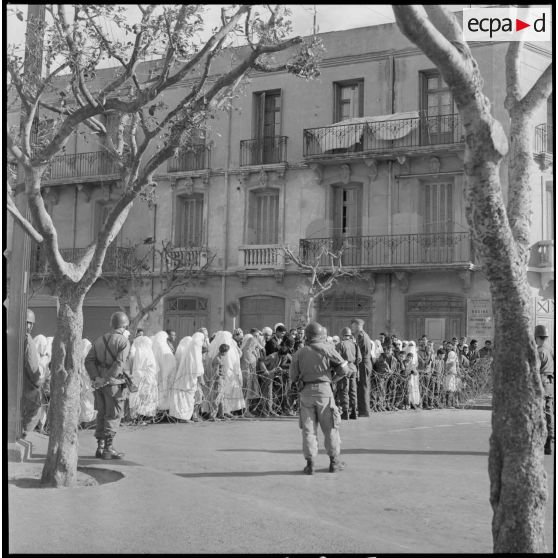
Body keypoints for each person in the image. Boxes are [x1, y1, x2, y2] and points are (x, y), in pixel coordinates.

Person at [289, 321, 349, 474]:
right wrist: (332, 381)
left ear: (307, 336)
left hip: (306, 393)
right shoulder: (329, 349)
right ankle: (334, 463)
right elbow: (344, 369)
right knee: (330, 429)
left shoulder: (299, 353)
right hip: (324, 392)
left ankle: (310, 464)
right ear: (322, 335)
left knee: (308, 430)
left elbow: (293, 376)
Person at [84, 311, 131, 459]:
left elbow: (88, 360)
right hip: (113, 385)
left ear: (112, 324)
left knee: (102, 415)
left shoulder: (99, 340)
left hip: (99, 385)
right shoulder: (124, 341)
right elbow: (119, 364)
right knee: (113, 415)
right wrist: (106, 379)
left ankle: (100, 447)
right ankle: (109, 449)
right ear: (124, 326)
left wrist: (96, 378)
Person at [20, 309, 45, 439]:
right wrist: (37, 381)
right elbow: (32, 364)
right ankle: (23, 432)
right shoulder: (27, 339)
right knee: (36, 407)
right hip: (27, 384)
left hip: (17, 382)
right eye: (29, 323)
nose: (29, 326)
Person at [170, 333, 205, 422]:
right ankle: (184, 417)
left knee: (186, 399)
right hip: (189, 381)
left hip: (186, 380)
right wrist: (201, 379)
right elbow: (197, 368)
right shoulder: (194, 351)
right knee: (187, 399)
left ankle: (184, 416)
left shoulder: (190, 350)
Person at [128, 334, 158, 422]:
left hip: (144, 378)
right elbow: (139, 367)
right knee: (143, 397)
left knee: (142, 397)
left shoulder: (142, 351)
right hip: (145, 378)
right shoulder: (142, 352)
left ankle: (140, 417)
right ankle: (140, 417)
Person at [535, 325, 554, 455]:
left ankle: (541, 442)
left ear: (537, 337)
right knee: (549, 412)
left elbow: (534, 370)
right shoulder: (551, 349)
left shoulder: (539, 351)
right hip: (550, 383)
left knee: (538, 414)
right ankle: (549, 442)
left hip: (540, 382)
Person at [335, 327, 361, 419]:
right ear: (350, 335)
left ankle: (345, 412)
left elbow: (336, 359)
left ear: (342, 335)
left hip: (344, 369)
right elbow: (359, 359)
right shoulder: (355, 344)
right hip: (353, 368)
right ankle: (354, 412)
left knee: (344, 390)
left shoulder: (340, 344)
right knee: (353, 391)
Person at [350, 318, 373, 418]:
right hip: (366, 363)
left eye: (353, 325)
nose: (352, 328)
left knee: (362, 387)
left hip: (363, 363)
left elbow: (358, 351)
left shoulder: (360, 335)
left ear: (357, 325)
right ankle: (363, 410)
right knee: (363, 387)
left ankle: (364, 411)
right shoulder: (365, 335)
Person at [151, 330, 177, 414]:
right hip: (164, 374)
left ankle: (162, 412)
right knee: (163, 392)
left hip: (162, 374)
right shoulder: (162, 347)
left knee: (162, 393)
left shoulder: (161, 346)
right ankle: (162, 412)